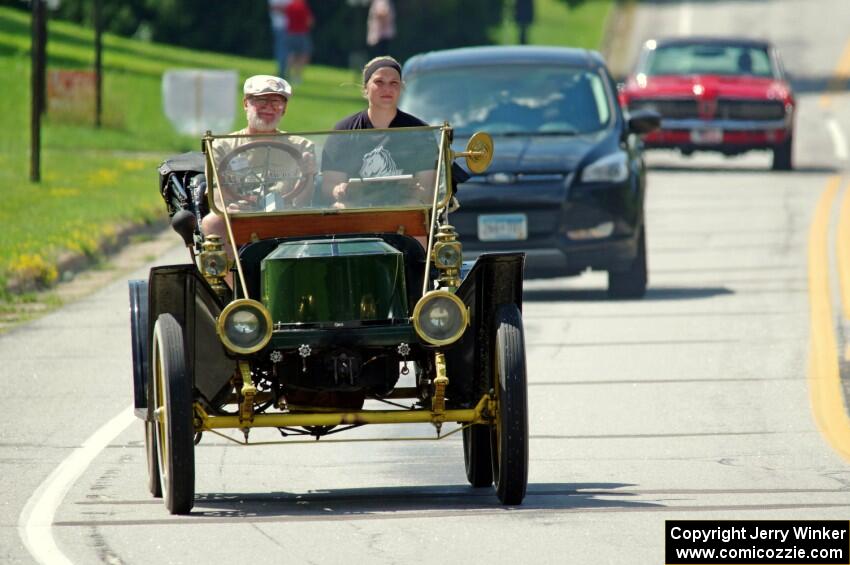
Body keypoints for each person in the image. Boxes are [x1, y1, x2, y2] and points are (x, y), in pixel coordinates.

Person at [202, 75, 316, 260]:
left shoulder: (301, 146)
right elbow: (216, 196)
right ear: (246, 103)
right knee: (212, 222)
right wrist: (229, 209)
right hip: (240, 216)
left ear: (284, 109)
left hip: (285, 215)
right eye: (261, 100)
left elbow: (305, 200)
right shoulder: (223, 145)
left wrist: (309, 174)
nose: (269, 107)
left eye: (277, 102)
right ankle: (236, 286)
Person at [321, 56, 437, 209]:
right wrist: (338, 190)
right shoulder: (343, 131)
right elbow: (329, 184)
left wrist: (417, 192)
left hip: (404, 214)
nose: (387, 89)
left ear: (401, 88)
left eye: (394, 83)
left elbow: (428, 190)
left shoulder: (420, 132)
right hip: (356, 212)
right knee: (339, 206)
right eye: (379, 82)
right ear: (365, 87)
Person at [284, 0, 313, 84]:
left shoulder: (290, 6)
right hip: (302, 33)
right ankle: (297, 75)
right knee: (303, 55)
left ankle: (287, 74)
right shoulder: (303, 6)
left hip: (290, 32)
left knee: (291, 55)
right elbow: (310, 22)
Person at [268, 0, 291, 78]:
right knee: (282, 50)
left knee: (287, 51)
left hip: (291, 27)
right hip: (280, 26)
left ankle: (284, 71)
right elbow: (274, 8)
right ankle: (282, 71)